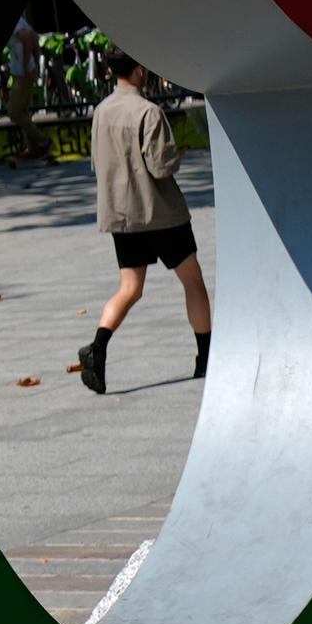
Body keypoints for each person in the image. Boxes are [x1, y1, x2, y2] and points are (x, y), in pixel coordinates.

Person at [83, 52, 211, 394]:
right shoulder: (148, 112)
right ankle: (205, 358)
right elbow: (161, 166)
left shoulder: (101, 111)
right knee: (192, 280)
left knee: (129, 289)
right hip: (161, 214)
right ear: (140, 70)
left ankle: (98, 346)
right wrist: (178, 153)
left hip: (122, 217)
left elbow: (98, 162)